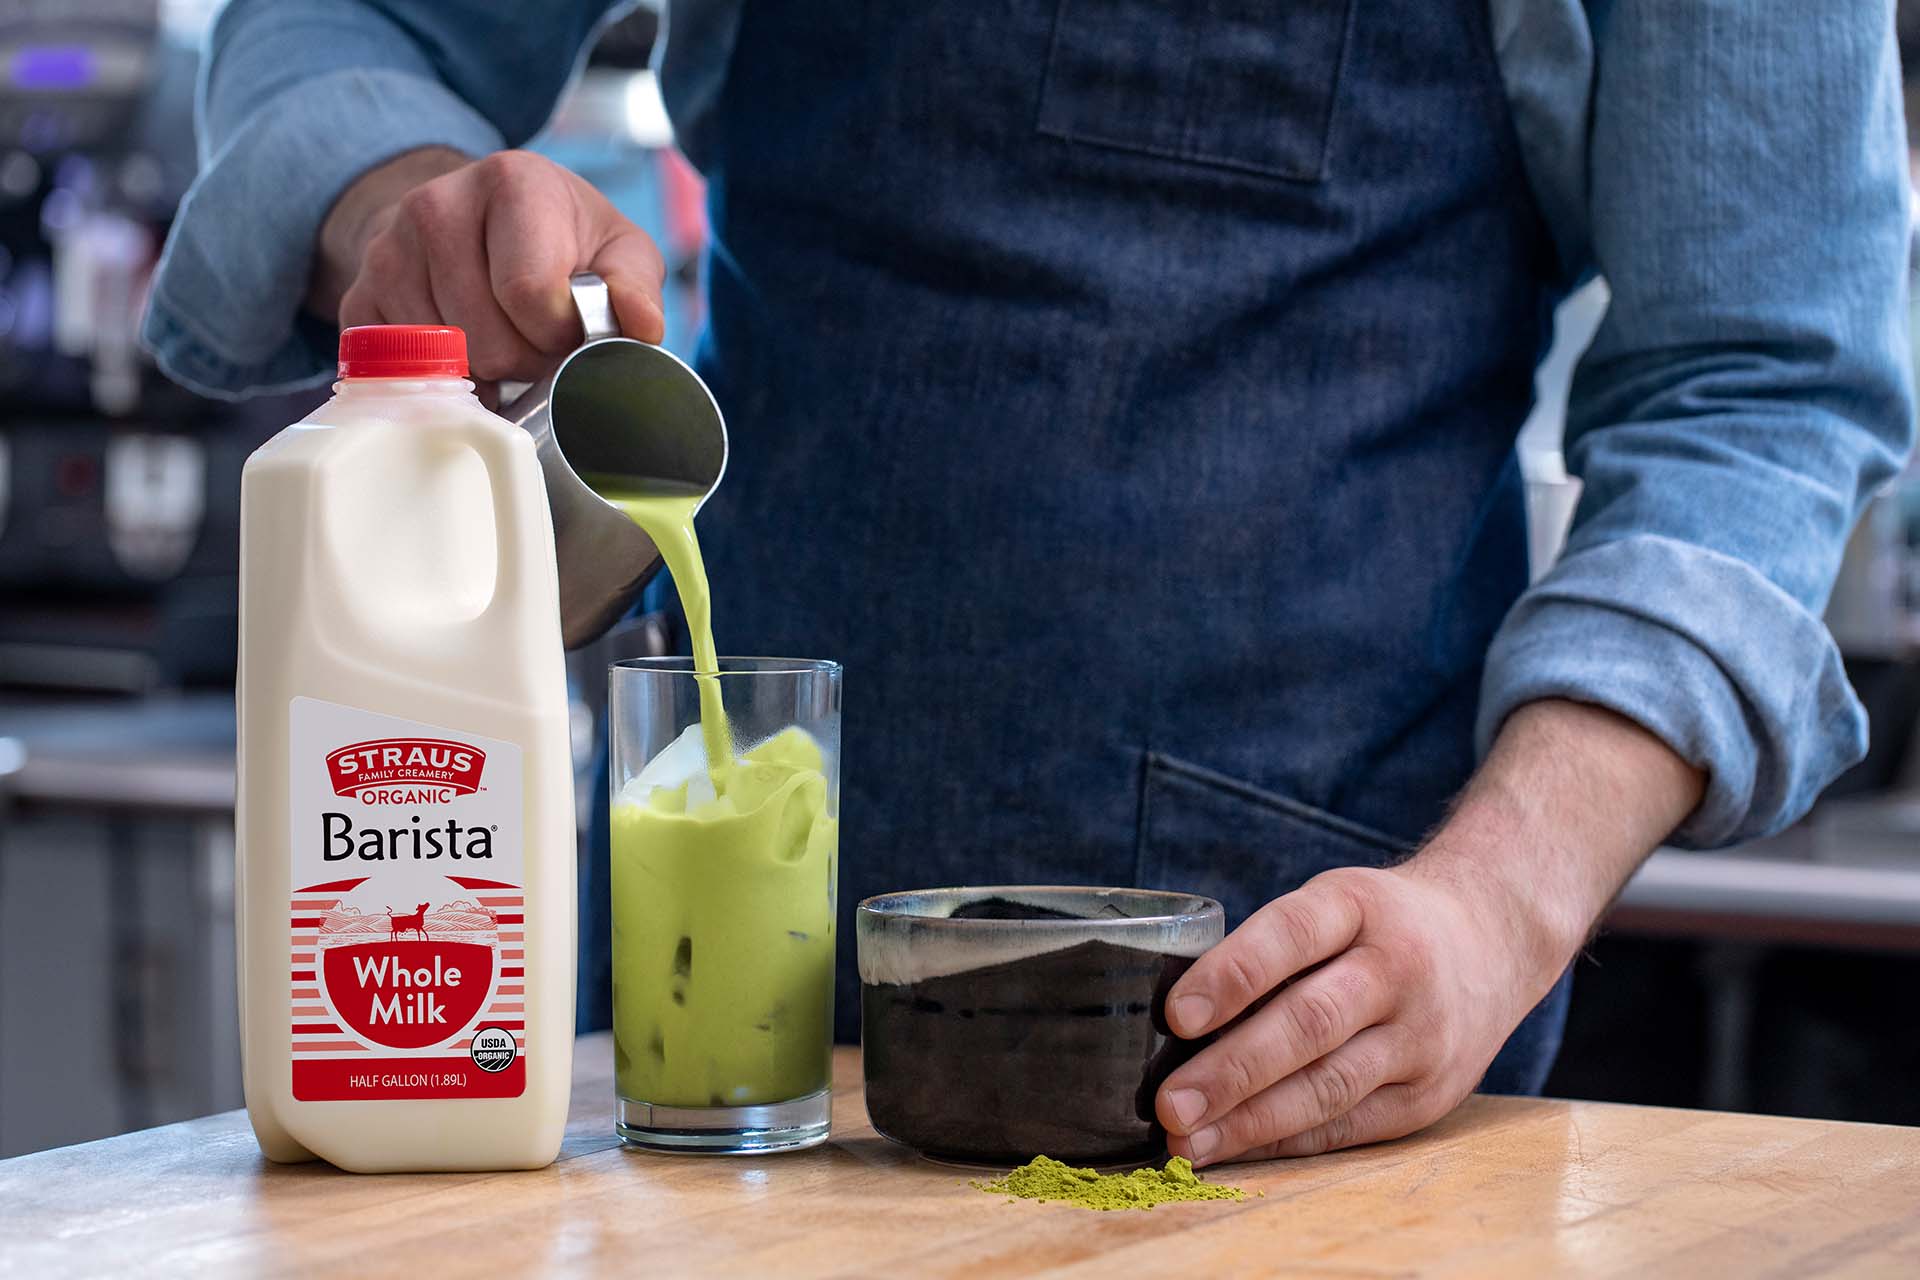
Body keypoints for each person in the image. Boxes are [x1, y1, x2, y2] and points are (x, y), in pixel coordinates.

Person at [146, 0, 1913, 1166]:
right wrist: (412, 197)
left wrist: (1502, 903)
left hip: (1282, 1072)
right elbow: (348, 27)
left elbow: (1764, 379)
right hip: (704, 1075)